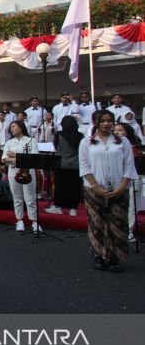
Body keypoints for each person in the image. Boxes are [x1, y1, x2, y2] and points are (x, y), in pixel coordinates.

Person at [79, 110, 138, 271]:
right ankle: (99, 256)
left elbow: (129, 166)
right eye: (102, 120)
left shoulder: (122, 141)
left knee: (117, 223)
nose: (106, 123)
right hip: (94, 188)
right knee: (97, 223)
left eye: (109, 120)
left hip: (119, 188)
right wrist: (97, 187)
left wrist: (121, 187)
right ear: (96, 122)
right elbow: (84, 167)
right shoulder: (87, 142)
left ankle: (114, 258)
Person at [2, 121, 42, 233]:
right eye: (11, 127)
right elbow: (5, 158)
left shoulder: (31, 140)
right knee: (17, 198)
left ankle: (35, 222)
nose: (12, 129)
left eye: (14, 126)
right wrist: (21, 159)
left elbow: (34, 157)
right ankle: (19, 221)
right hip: (13, 171)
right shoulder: (9, 142)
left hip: (28, 171)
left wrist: (14, 155)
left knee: (30, 198)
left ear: (21, 127)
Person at [46, 115, 84, 216]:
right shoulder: (80, 136)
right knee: (74, 187)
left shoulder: (59, 134)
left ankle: (58, 207)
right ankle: (73, 209)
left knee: (60, 186)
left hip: (61, 164)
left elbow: (56, 146)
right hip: (76, 165)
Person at [114, 123, 141, 243]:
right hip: (117, 178)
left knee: (131, 205)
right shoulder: (113, 145)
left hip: (133, 178)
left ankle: (129, 231)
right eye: (115, 130)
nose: (116, 132)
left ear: (127, 132)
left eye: (120, 130)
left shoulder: (135, 148)